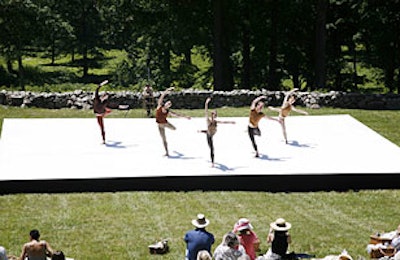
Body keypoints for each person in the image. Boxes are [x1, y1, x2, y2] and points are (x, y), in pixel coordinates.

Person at [198, 97, 235, 167]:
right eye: (214, 114)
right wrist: (206, 103)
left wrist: (231, 122)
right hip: (209, 136)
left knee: (209, 135)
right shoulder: (208, 120)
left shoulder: (215, 121)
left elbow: (224, 122)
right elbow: (205, 111)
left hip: (211, 133)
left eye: (215, 115)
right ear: (212, 115)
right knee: (212, 148)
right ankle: (212, 163)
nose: (215, 116)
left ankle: (202, 131)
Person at [156, 87, 191, 156]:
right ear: (165, 103)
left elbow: (177, 115)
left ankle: (168, 151)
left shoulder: (168, 111)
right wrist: (167, 90)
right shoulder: (159, 107)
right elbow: (162, 96)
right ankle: (167, 152)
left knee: (174, 128)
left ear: (169, 106)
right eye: (168, 103)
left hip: (166, 123)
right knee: (164, 139)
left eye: (169, 104)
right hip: (160, 125)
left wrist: (186, 117)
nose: (168, 104)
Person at [93, 80, 128, 144]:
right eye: (104, 96)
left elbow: (113, 105)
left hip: (101, 113)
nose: (105, 97)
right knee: (101, 127)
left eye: (105, 96)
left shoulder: (105, 102)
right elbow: (96, 91)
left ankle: (103, 140)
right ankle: (103, 139)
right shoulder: (97, 99)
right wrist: (100, 85)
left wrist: (119, 107)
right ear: (102, 96)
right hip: (98, 114)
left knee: (108, 112)